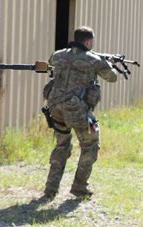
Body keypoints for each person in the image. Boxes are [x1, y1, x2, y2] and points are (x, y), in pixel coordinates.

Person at [42, 26, 118, 200]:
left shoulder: (58, 54)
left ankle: (50, 189)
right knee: (91, 143)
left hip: (55, 108)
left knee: (61, 145)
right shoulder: (94, 60)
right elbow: (112, 77)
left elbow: (54, 64)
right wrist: (107, 62)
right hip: (77, 111)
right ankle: (79, 186)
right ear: (88, 41)